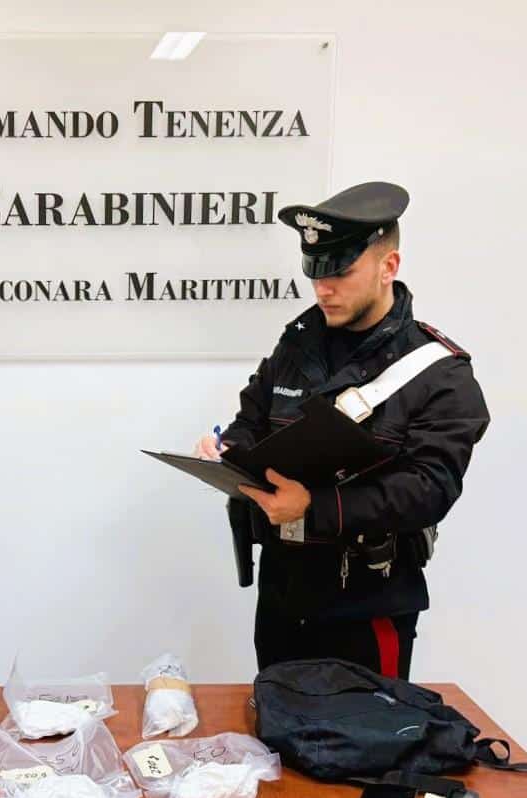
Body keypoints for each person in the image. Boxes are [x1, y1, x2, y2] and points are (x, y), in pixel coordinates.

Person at [196, 182, 488, 679]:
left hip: (367, 604)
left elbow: (431, 488)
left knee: (368, 728)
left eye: (341, 273)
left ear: (388, 266)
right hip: (283, 596)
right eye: (315, 272)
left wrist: (314, 507)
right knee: (277, 721)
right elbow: (252, 422)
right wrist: (227, 452)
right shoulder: (297, 345)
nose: (322, 289)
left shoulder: (439, 372)